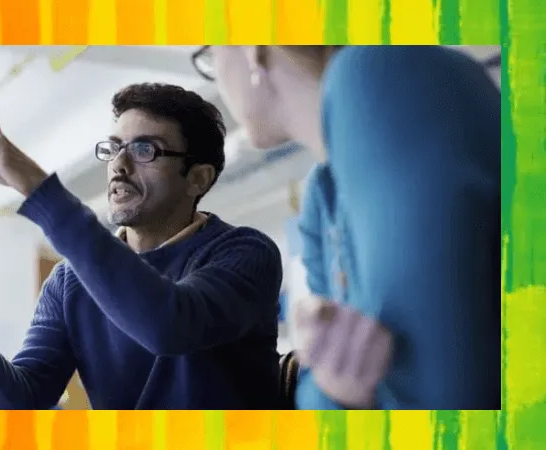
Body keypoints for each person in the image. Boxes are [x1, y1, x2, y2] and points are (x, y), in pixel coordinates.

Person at [0, 83, 285, 409]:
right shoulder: (69, 282)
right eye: (114, 147)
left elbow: (169, 326)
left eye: (144, 150)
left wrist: (36, 186)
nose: (119, 165)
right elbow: (18, 403)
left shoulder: (245, 254)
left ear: (197, 179)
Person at [201, 45, 500, 409]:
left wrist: (337, 394)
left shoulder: (375, 75)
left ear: (252, 49)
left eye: (210, 53)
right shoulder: (322, 200)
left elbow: (441, 404)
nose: (215, 72)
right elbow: (321, 393)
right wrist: (333, 391)